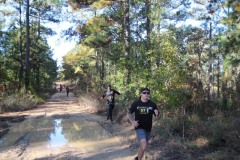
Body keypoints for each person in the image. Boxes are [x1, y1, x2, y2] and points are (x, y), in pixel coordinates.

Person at [127, 88, 159, 160]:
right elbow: (128, 113)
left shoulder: (152, 104)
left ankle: (138, 158)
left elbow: (156, 117)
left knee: (143, 147)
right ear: (141, 94)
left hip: (148, 128)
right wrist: (133, 122)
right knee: (144, 146)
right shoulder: (136, 103)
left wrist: (157, 114)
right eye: (144, 93)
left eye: (148, 93)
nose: (146, 94)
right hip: (139, 127)